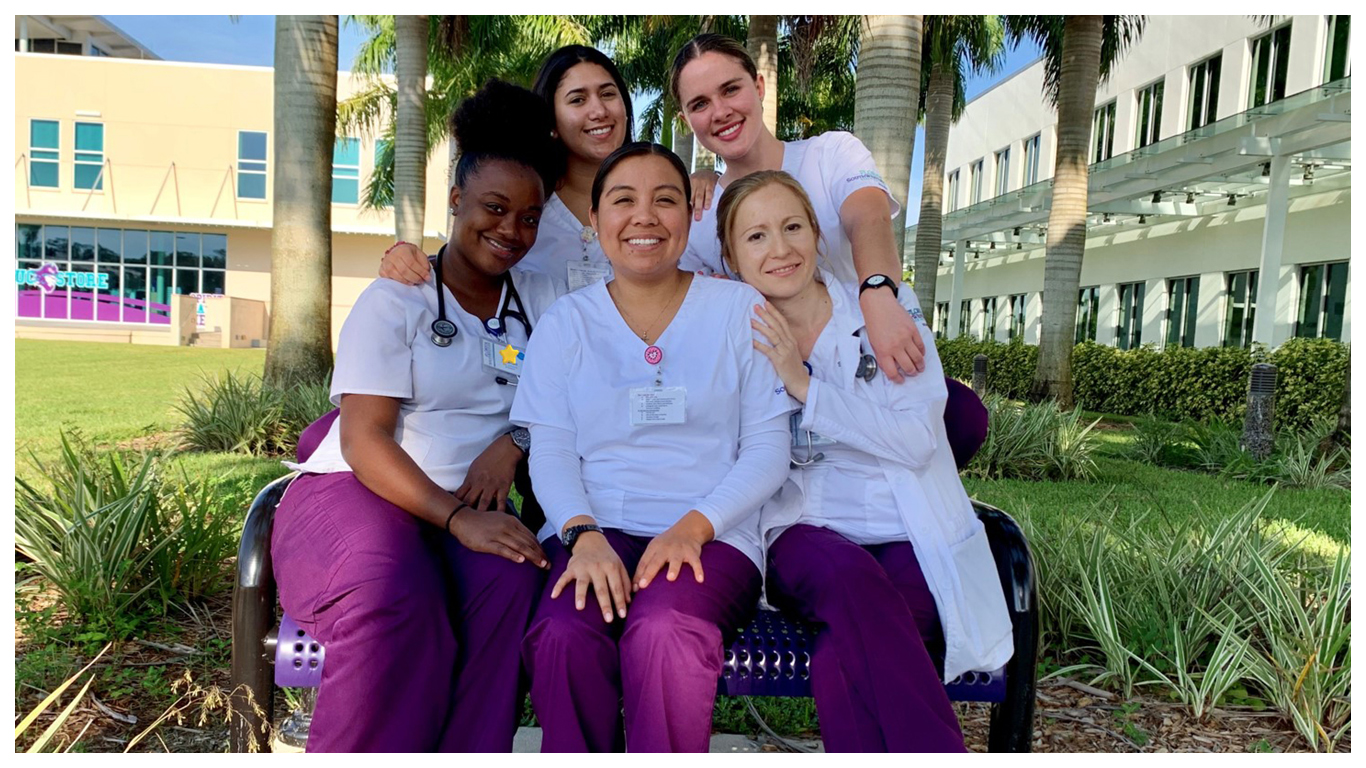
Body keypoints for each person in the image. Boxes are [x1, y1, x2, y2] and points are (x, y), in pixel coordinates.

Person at [271, 80, 561, 752]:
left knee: (515, 578)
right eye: (494, 208)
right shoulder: (397, 298)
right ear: (456, 200)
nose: (510, 231)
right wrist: (457, 519)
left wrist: (512, 443)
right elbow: (363, 439)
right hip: (360, 491)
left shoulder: (543, 304)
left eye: (528, 218)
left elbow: (568, 403)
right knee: (395, 600)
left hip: (470, 504)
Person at [509, 143, 796, 752]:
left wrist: (693, 528)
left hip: (713, 534)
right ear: (594, 219)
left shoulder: (739, 310)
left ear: (689, 216)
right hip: (595, 526)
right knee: (563, 635)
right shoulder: (567, 322)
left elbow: (768, 449)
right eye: (623, 201)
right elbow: (551, 450)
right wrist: (582, 535)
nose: (645, 216)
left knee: (666, 631)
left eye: (665, 199)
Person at [716, 170, 1014, 752]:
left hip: (904, 527)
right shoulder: (732, 331)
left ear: (816, 234)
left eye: (793, 227)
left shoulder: (886, 309)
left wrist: (807, 387)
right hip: (801, 529)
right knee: (850, 580)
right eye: (755, 236)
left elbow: (917, 440)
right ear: (731, 258)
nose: (780, 249)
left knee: (842, 662)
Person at [670, 32, 926, 384]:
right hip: (768, 394)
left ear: (759, 86)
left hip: (872, 366)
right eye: (700, 104)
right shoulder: (696, 214)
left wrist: (878, 295)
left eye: (730, 89)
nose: (721, 111)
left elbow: (870, 218)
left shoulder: (831, 154)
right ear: (686, 120)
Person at [379, 45, 717, 294]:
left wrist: (712, 177)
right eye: (578, 99)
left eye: (608, 94)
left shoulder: (673, 202)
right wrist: (407, 259)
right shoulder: (526, 211)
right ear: (551, 120)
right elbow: (468, 266)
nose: (599, 111)